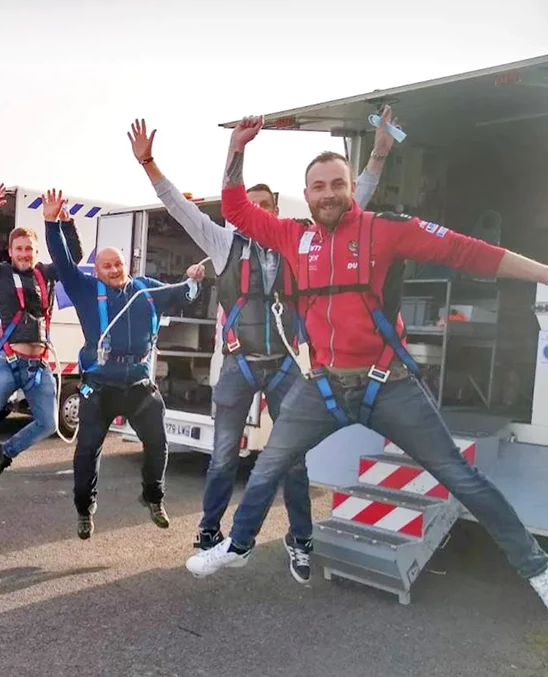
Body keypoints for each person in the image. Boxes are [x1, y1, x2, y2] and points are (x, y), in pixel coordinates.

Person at [187, 114, 548, 611]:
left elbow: (471, 253)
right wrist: (237, 148)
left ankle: (536, 569)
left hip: (389, 384)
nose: (328, 193)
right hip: (325, 385)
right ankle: (239, 547)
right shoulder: (294, 237)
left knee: (460, 477)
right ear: (307, 194)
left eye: (338, 184)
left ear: (353, 188)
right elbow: (236, 208)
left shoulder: (386, 230)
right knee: (271, 462)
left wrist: (544, 274)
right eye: (318, 187)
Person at [127, 112, 392, 583]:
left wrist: (376, 155)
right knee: (223, 458)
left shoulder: (299, 240)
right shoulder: (224, 243)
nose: (259, 211)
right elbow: (178, 207)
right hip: (239, 366)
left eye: (266, 205)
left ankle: (300, 540)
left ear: (276, 209)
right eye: (251, 204)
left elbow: (356, 201)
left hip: (288, 366)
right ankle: (209, 535)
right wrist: (149, 163)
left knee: (293, 459)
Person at [43, 188, 206, 539]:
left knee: (158, 443)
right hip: (99, 387)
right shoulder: (85, 290)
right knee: (87, 451)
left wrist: (195, 281)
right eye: (107, 266)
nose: (115, 270)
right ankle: (85, 509)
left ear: (126, 265)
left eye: (118, 264)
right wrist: (50, 222)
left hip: (138, 386)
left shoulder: (146, 290)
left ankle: (153, 497)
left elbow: (184, 294)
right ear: (98, 271)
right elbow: (63, 262)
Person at [0, 182, 84, 483]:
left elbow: (75, 258)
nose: (25, 254)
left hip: (39, 365)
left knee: (46, 423)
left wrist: (65, 221)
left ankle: (6, 451)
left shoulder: (45, 273)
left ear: (36, 251)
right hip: (9, 363)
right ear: (10, 251)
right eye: (19, 249)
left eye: (29, 249)